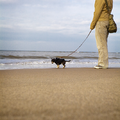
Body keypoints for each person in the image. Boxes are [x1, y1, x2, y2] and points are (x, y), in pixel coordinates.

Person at [90, 0, 113, 69]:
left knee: (101, 44)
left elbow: (97, 12)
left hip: (101, 22)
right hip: (107, 21)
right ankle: (103, 63)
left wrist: (92, 25)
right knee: (103, 43)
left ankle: (102, 64)